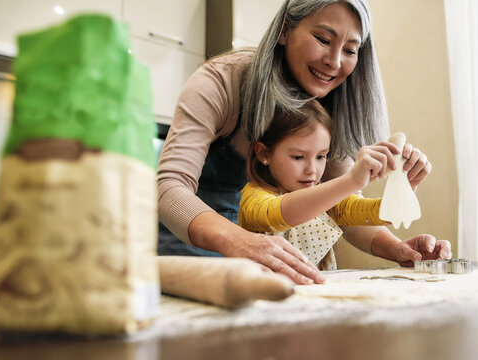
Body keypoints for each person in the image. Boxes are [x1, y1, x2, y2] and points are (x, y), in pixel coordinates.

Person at [157, 0, 451, 285]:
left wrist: (396, 248)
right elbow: (170, 188)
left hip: (270, 263)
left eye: (350, 49)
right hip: (192, 251)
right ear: (285, 29)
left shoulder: (331, 105)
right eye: (323, 39)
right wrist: (239, 239)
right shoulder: (221, 82)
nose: (335, 62)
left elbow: (343, 208)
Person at [239, 100, 449, 271]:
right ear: (264, 153)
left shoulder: (328, 200)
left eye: (321, 156)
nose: (312, 170)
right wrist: (351, 181)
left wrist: (404, 188)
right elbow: (279, 213)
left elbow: (370, 212)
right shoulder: (253, 198)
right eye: (298, 157)